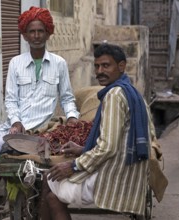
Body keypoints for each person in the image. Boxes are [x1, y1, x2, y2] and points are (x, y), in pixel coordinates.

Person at [0, 6, 80, 220]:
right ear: (25, 35)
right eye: (32, 32)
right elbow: (10, 98)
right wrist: (16, 122)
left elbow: (66, 97)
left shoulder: (59, 64)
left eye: (40, 31)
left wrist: (72, 116)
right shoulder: (16, 63)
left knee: (50, 166)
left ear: (48, 33)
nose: (36, 36)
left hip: (44, 129)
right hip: (16, 128)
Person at [40, 43, 155, 219]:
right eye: (97, 66)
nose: (100, 71)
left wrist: (73, 165)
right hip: (129, 171)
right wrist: (82, 149)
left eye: (106, 65)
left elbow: (108, 147)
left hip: (113, 177)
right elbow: (125, 138)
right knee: (52, 182)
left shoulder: (114, 96)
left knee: (50, 191)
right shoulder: (132, 92)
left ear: (121, 66)